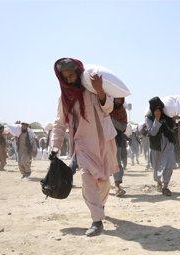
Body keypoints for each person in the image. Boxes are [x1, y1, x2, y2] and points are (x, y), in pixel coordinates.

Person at [51, 58, 118, 237]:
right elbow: (59, 123)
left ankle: (99, 206)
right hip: (82, 145)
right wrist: (54, 147)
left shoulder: (92, 89)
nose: (69, 79)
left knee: (103, 180)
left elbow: (108, 108)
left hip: (103, 140)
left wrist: (100, 90)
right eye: (65, 77)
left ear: (79, 72)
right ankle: (97, 220)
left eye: (72, 74)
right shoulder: (65, 98)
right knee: (87, 178)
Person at [146, 97, 177, 196]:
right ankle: (159, 182)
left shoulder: (167, 116)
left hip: (168, 144)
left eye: (160, 108)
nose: (158, 111)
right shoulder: (148, 118)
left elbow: (172, 129)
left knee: (168, 165)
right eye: (156, 109)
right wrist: (157, 119)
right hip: (156, 145)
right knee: (157, 166)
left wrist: (173, 121)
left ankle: (165, 187)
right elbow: (153, 132)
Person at [110, 97, 128, 197]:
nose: (118, 101)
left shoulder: (122, 112)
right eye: (116, 99)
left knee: (116, 163)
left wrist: (111, 119)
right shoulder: (106, 108)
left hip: (117, 139)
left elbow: (123, 127)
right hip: (104, 139)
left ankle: (117, 186)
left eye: (120, 99)